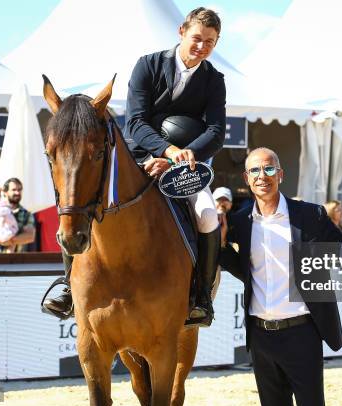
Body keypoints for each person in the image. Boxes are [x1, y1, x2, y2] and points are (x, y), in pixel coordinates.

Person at [43, 8, 226, 326]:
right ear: (182, 31)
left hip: (186, 165)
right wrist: (164, 149)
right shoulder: (148, 65)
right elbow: (137, 121)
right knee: (84, 198)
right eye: (197, 38)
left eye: (210, 42)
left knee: (208, 214)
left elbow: (216, 132)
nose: (202, 47)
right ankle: (68, 287)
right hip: (138, 157)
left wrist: (181, 156)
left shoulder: (214, 79)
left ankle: (201, 297)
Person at [219, 147, 342, 406]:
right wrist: (221, 246)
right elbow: (243, 269)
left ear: (280, 174)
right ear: (246, 178)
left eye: (268, 169)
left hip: (303, 332)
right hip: (260, 336)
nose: (261, 176)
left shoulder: (310, 215)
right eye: (254, 170)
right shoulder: (241, 220)